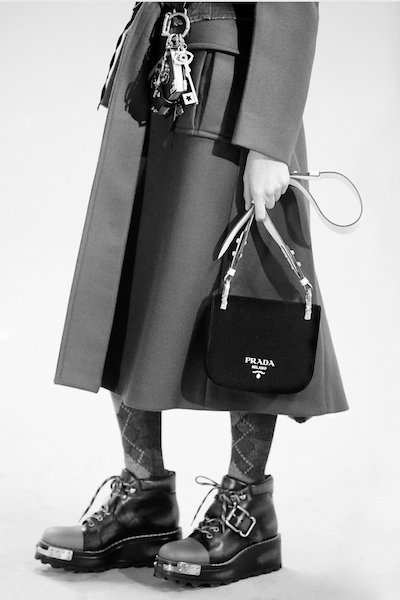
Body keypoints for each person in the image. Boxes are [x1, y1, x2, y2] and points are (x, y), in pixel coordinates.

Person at [35, 1, 347, 587]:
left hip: (231, 107)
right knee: (134, 283)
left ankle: (247, 510)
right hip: (163, 84)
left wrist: (269, 142)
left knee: (248, 294)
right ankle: (144, 500)